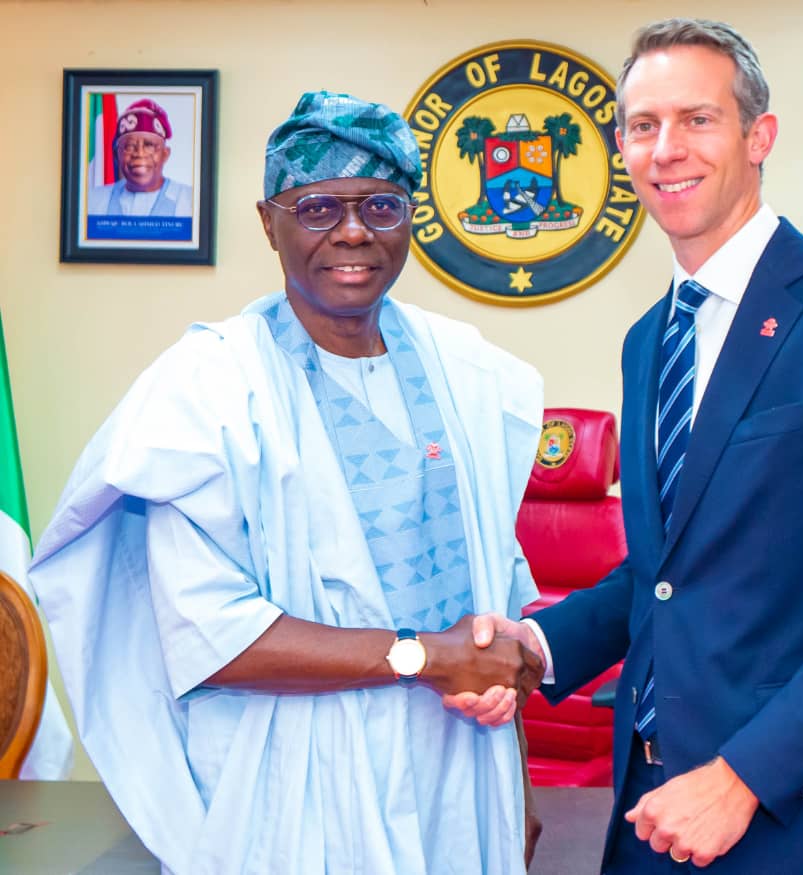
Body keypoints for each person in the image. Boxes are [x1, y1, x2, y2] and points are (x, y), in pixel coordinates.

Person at [451, 18, 803, 873]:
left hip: (801, 821)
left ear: (758, 136)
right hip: (647, 817)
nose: (667, 149)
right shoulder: (651, 338)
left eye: (697, 119)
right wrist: (537, 649)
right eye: (643, 126)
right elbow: (663, 571)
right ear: (621, 150)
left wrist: (740, 778)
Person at [31, 91, 545, 875]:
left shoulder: (472, 373)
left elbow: (496, 609)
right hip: (291, 783)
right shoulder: (207, 391)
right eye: (316, 207)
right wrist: (423, 657)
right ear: (268, 221)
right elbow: (213, 637)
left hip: (457, 771)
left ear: (411, 218)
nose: (351, 231)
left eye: (380, 204)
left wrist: (518, 783)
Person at [87, 98, 193, 217]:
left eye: (149, 145)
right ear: (116, 154)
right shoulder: (92, 202)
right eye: (129, 146)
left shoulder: (191, 201)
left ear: (165, 154)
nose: (139, 153)